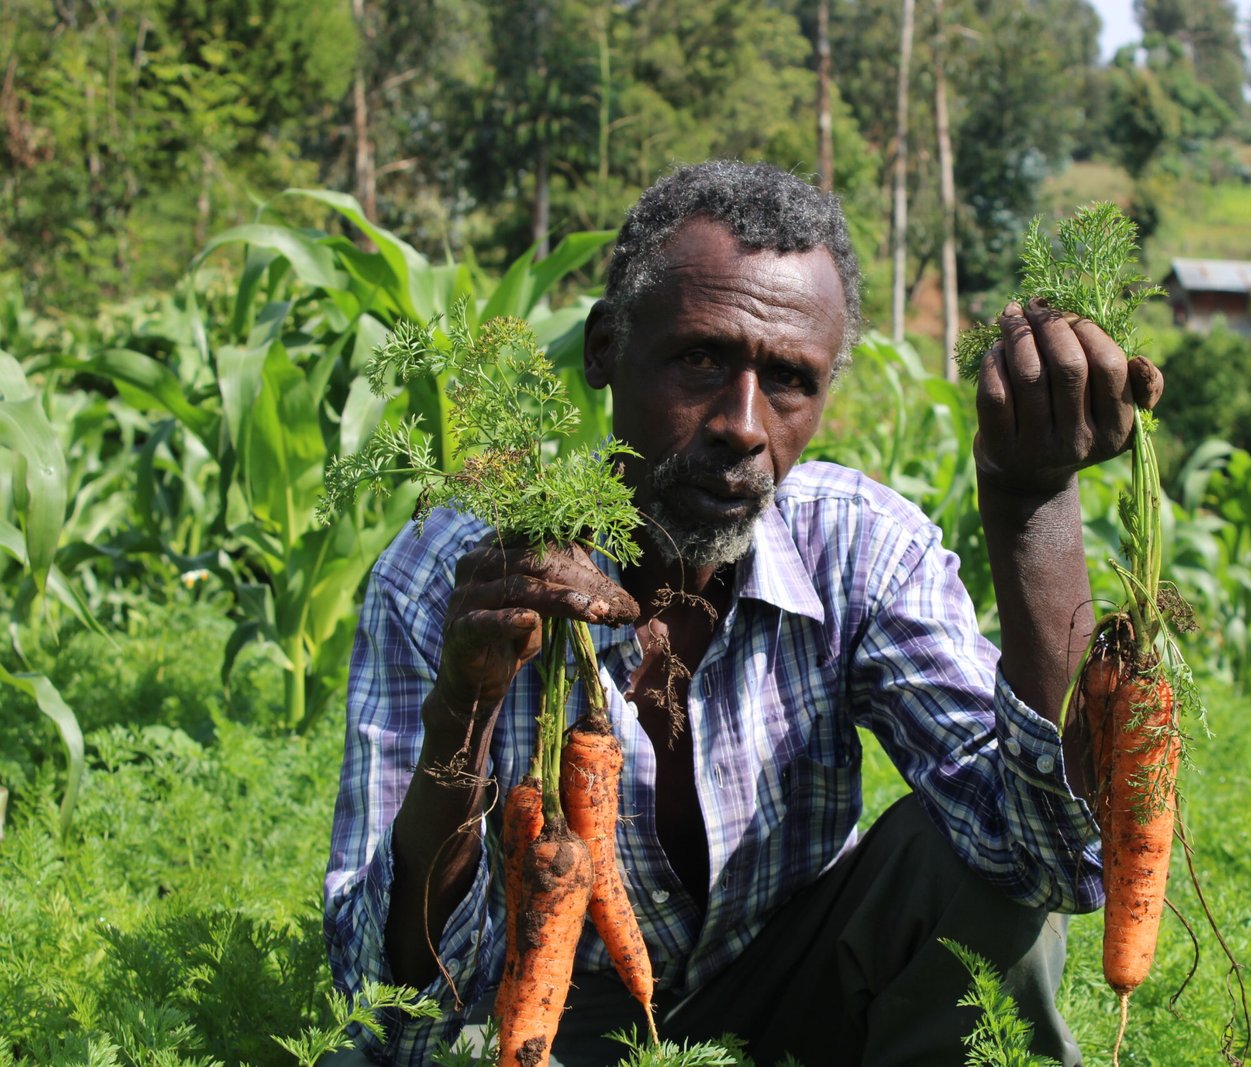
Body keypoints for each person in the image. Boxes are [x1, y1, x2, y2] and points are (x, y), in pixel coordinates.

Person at [323, 160, 1162, 1066]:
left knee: (973, 874)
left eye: (791, 381)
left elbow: (1044, 858)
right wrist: (466, 704)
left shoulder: (862, 546)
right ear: (604, 347)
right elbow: (391, 1005)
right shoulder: (459, 577)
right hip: (553, 1018)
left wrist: (1030, 503)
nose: (744, 424)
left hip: (791, 993)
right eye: (700, 359)